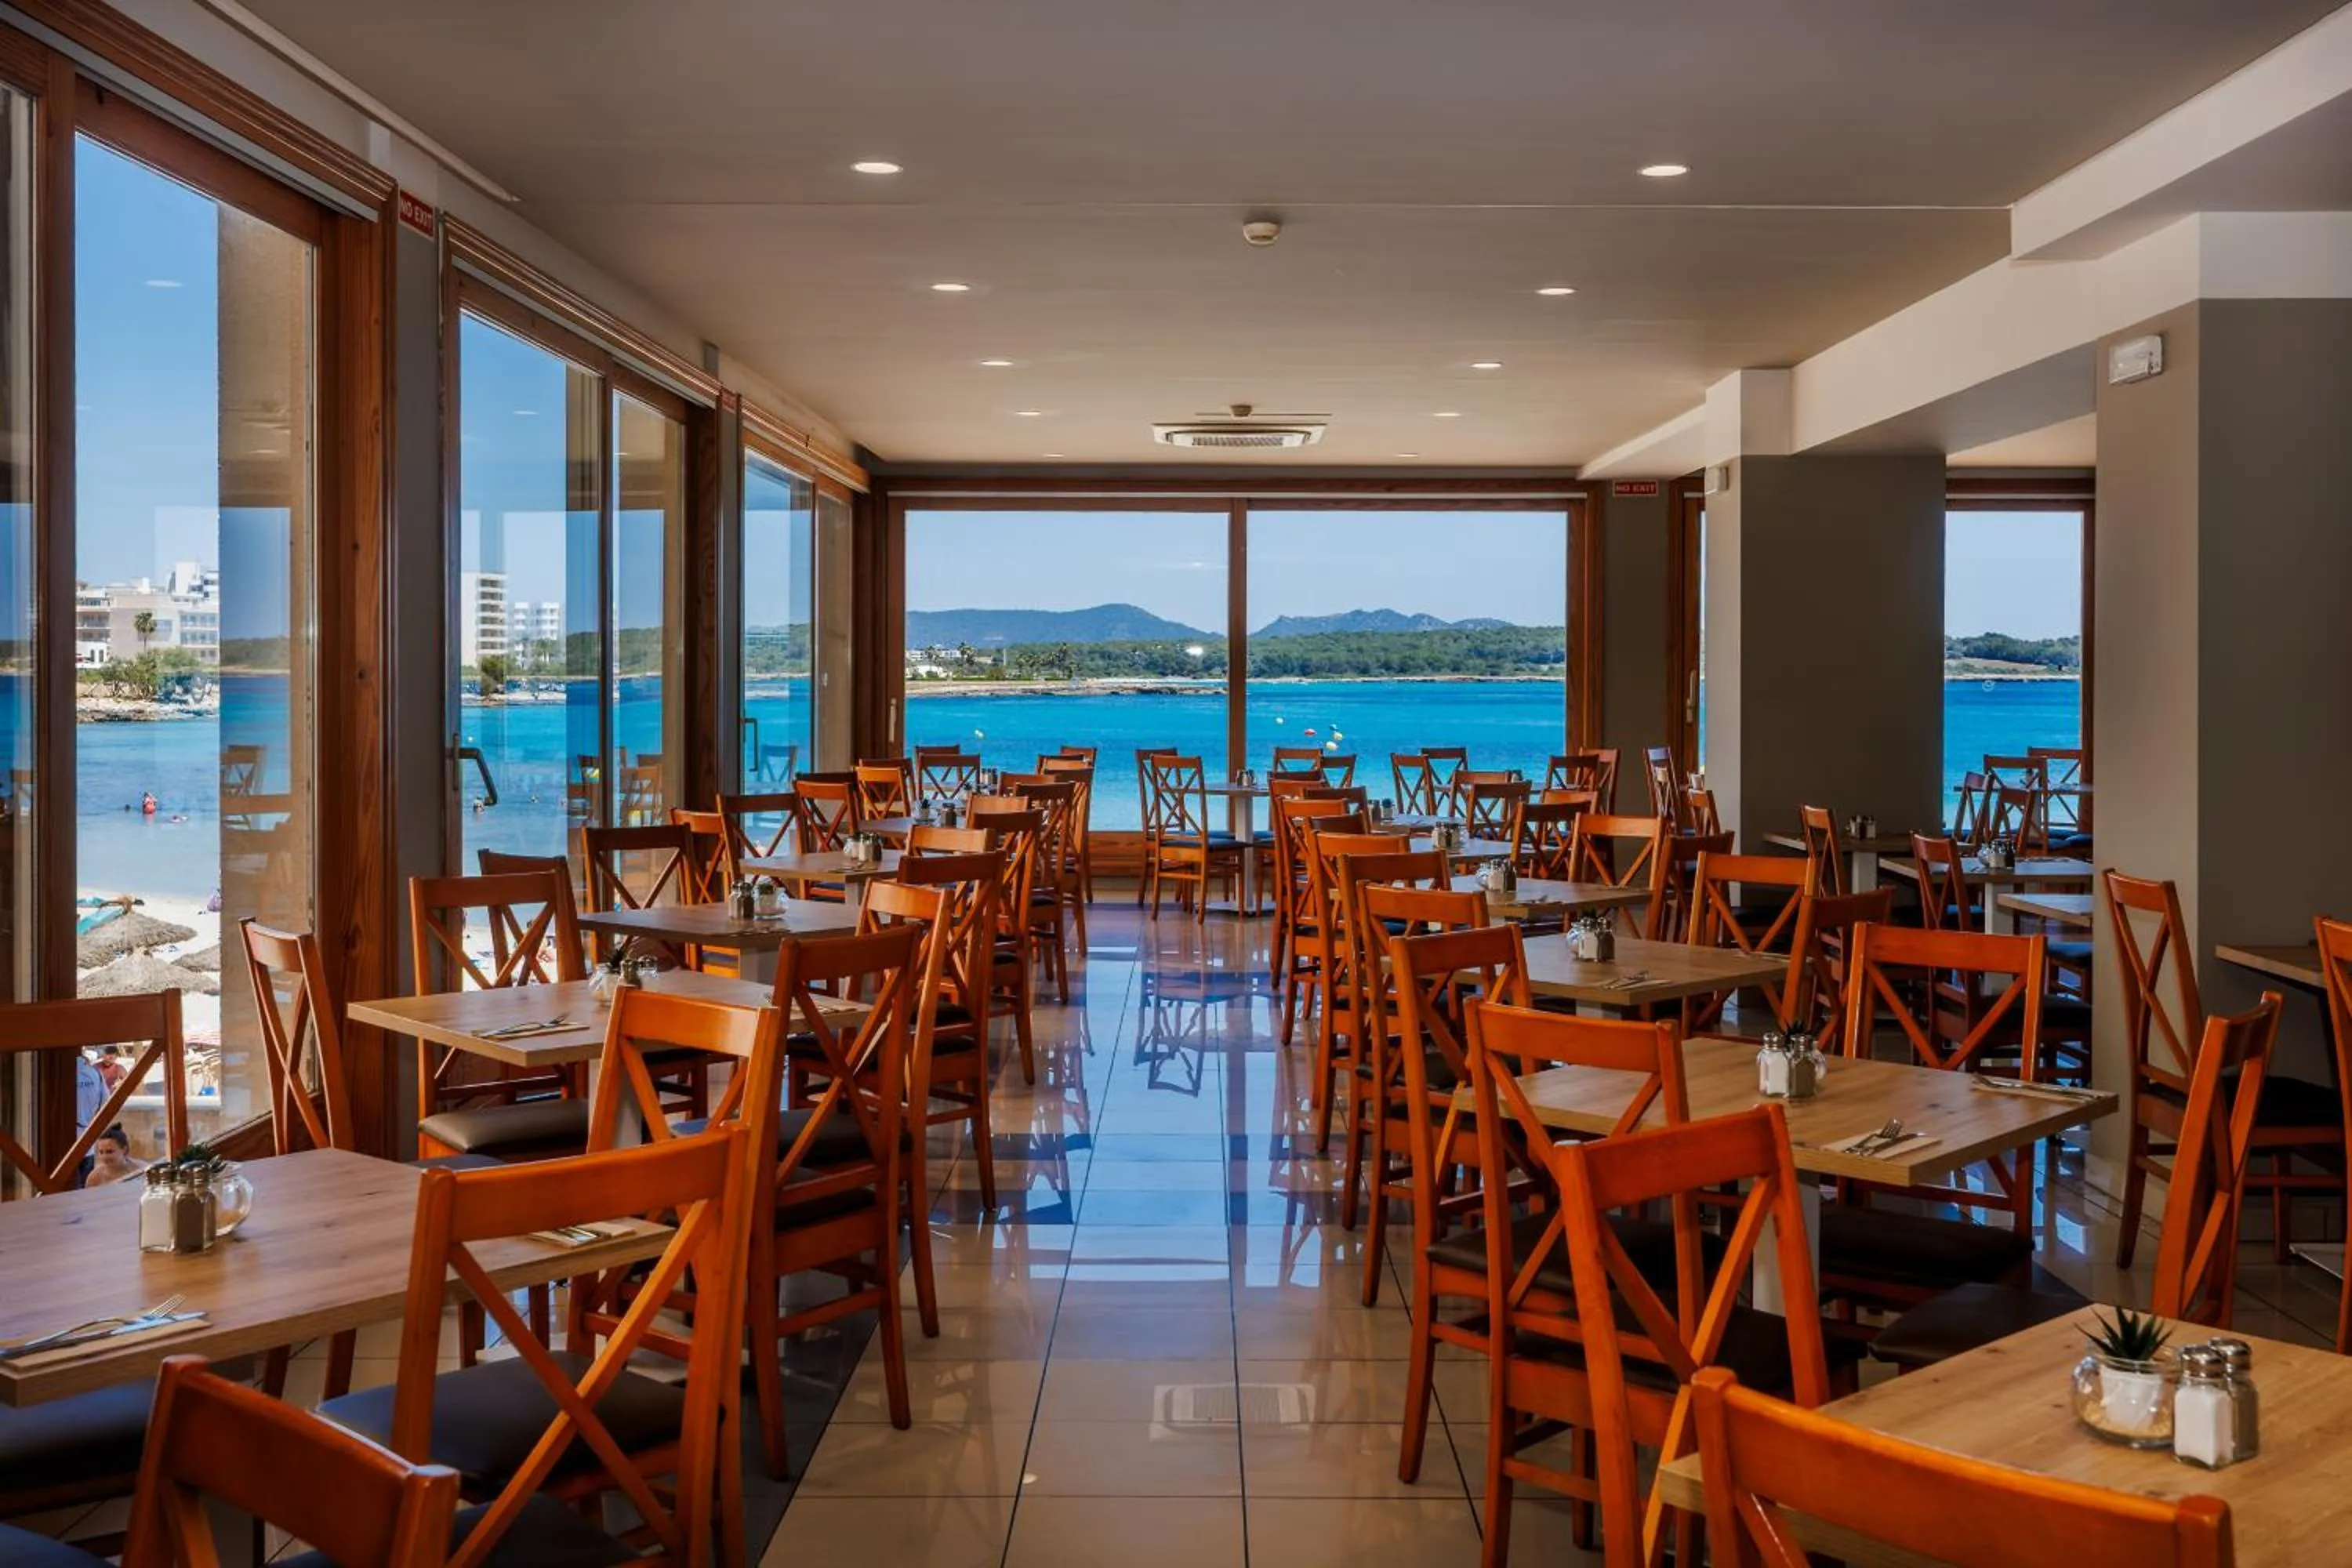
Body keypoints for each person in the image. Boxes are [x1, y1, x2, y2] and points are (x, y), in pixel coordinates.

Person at [83, 1123, 145, 1189]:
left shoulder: (142, 1170)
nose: (104, 1157)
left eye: (109, 1152)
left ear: (124, 1149)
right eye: (101, 1152)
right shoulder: (94, 1178)